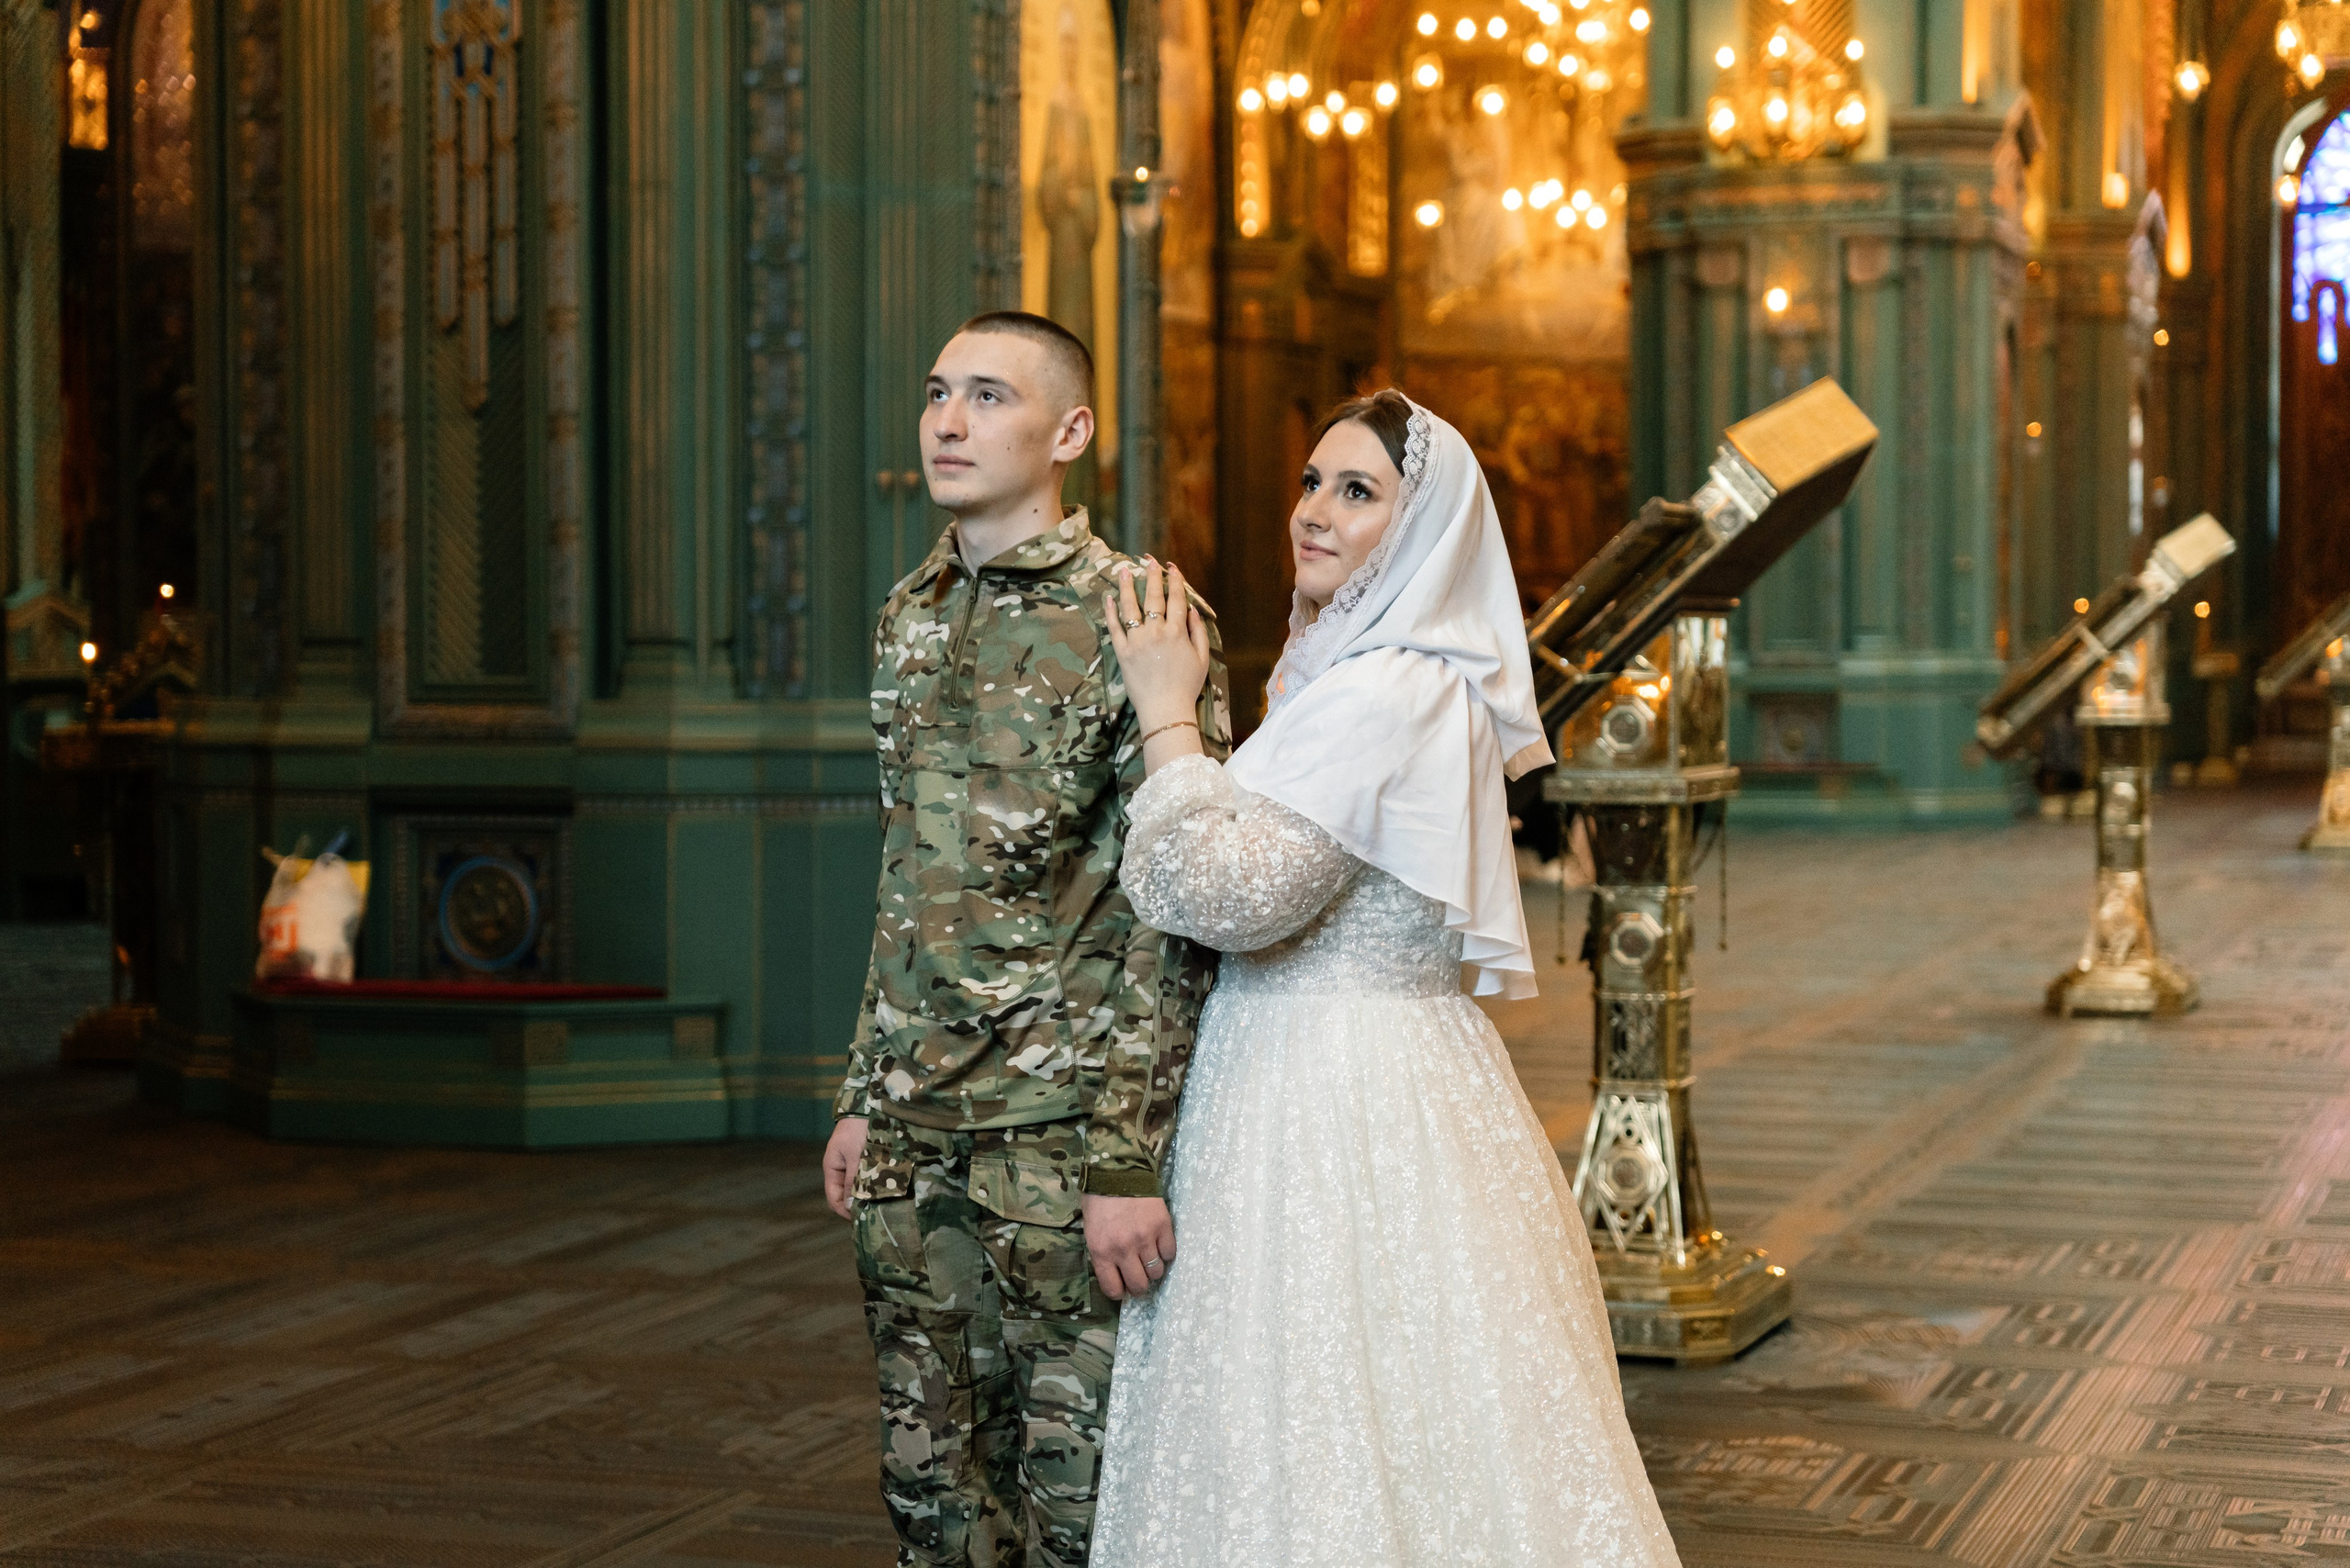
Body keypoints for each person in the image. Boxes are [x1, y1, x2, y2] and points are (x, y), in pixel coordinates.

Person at [1088, 389, 1684, 1567]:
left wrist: (1167, 722)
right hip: (1365, 1070)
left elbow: (1234, 897)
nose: (1315, 509)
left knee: (1335, 1407)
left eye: (1358, 491)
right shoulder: (1365, 681)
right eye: (1312, 481)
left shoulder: (1389, 689)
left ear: (1421, 535)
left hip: (1330, 1090)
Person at [822, 309, 1230, 1568]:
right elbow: (906, 880)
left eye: (989, 396)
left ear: (1069, 433)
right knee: (933, 1498)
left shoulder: (1142, 618)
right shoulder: (909, 613)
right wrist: (858, 1093)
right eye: (939, 391)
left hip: (1053, 1153)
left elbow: (1173, 920)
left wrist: (1124, 1163)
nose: (948, 420)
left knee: (1081, 1513)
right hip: (908, 1138)